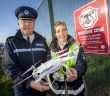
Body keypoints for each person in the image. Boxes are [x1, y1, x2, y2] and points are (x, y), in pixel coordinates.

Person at [2, 6, 50, 96]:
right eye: (23, 21)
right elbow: (9, 68)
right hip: (22, 89)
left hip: (42, 85)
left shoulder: (42, 40)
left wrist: (48, 70)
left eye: (30, 21)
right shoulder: (11, 42)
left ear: (34, 23)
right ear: (18, 23)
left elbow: (48, 57)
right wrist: (30, 83)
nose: (27, 24)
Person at [49, 21, 87, 96]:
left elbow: (83, 64)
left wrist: (76, 71)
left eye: (64, 30)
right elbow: (49, 67)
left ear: (67, 31)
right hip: (59, 90)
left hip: (76, 90)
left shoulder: (77, 45)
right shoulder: (51, 49)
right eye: (58, 31)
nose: (61, 33)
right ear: (55, 34)